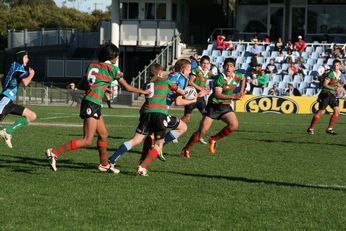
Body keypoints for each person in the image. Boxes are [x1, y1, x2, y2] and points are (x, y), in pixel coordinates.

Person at [45, 43, 149, 172]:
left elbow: (87, 83)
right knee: (87, 140)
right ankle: (54, 152)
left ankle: (104, 164)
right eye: (117, 57)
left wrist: (103, 88)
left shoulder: (92, 66)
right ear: (113, 57)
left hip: (91, 102)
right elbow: (127, 87)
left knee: (104, 134)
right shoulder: (113, 69)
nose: (117, 60)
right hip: (92, 103)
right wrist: (143, 92)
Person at [108, 63, 186, 176]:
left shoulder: (147, 84)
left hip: (147, 113)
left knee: (135, 140)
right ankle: (142, 167)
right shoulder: (166, 81)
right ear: (160, 73)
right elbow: (181, 92)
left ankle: (111, 160)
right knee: (158, 145)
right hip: (159, 114)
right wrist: (189, 94)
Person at [180, 57, 246, 158]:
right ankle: (186, 149)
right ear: (223, 67)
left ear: (234, 68)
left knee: (234, 125)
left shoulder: (237, 76)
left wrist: (241, 91)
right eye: (226, 66)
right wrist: (233, 96)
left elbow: (243, 78)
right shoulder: (220, 78)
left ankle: (213, 139)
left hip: (225, 106)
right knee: (202, 131)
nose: (228, 68)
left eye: (231, 66)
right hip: (213, 107)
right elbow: (218, 94)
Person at [0, 50, 36, 148]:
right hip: (5, 101)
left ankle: (7, 132)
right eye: (26, 57)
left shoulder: (13, 66)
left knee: (31, 116)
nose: (28, 59)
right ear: (20, 58)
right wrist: (32, 74)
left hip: (8, 101)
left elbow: (2, 79)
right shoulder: (20, 68)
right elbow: (25, 82)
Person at [181, 55, 211, 144]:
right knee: (187, 117)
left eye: (207, 63)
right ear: (200, 63)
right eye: (204, 63)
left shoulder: (208, 73)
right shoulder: (196, 70)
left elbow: (205, 82)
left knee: (206, 116)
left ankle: (199, 135)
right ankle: (175, 132)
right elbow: (190, 82)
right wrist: (201, 88)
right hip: (192, 96)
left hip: (201, 97)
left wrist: (206, 88)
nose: (205, 65)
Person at [307, 59, 343, 135]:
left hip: (332, 95)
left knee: (337, 110)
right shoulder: (330, 74)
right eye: (334, 65)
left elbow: (336, 83)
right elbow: (324, 84)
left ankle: (329, 129)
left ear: (340, 66)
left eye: (337, 65)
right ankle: (311, 128)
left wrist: (339, 86)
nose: (335, 67)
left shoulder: (339, 73)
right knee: (321, 112)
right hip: (325, 94)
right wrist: (333, 88)